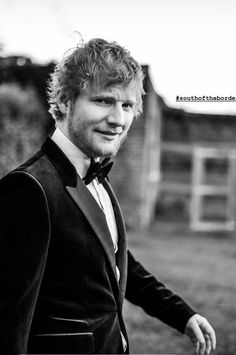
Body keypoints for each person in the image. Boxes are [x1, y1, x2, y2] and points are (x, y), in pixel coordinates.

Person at [0, 38, 216, 355]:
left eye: (127, 106)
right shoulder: (29, 189)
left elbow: (111, 259)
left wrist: (180, 313)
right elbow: (8, 320)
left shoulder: (95, 172)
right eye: (103, 101)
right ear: (63, 100)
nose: (118, 120)